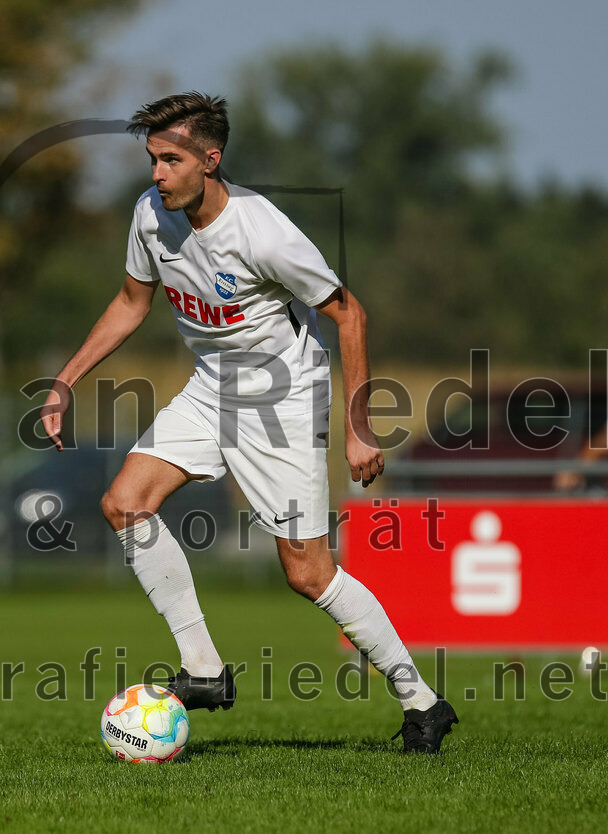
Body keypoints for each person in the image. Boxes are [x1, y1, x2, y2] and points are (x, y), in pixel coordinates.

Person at [41, 93, 457, 753]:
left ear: (211, 160)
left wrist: (359, 427)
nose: (157, 174)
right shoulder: (150, 215)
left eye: (171, 160)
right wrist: (65, 380)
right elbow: (130, 302)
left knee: (308, 574)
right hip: (211, 387)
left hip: (282, 400)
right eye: (153, 160)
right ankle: (204, 669)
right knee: (125, 502)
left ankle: (423, 703)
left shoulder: (263, 232)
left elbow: (349, 314)